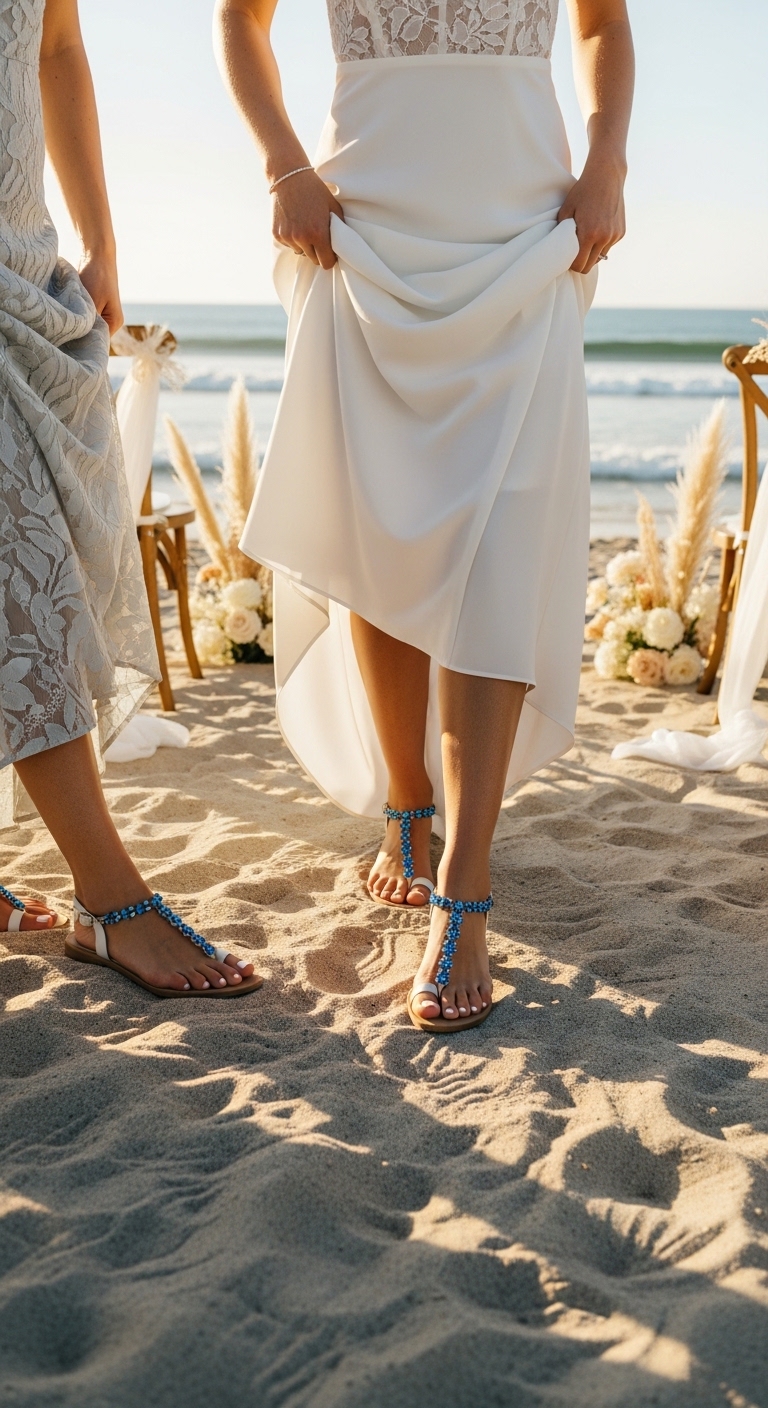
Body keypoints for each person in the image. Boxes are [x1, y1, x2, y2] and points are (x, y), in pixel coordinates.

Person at [216, 0, 633, 1028]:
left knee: (498, 542)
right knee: (385, 525)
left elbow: (599, 23)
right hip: (364, 235)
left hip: (522, 238)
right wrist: (283, 165)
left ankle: (465, 878)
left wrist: (607, 160)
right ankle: (407, 800)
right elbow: (240, 16)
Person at [0, 0, 261, 997]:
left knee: (42, 544)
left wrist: (103, 239)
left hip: (26, 260)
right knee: (21, 567)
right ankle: (108, 898)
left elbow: (58, 45)